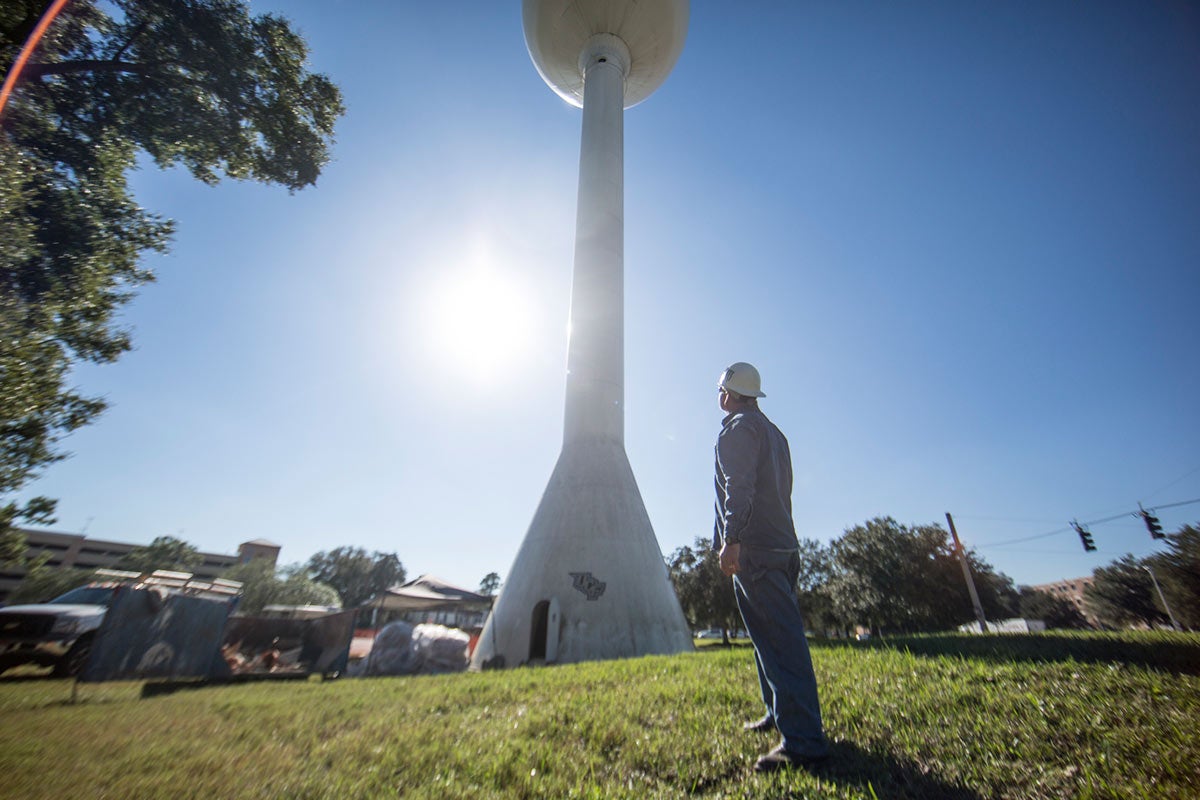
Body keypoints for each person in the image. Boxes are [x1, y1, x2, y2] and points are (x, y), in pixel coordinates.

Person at [712, 362, 828, 772]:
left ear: (729, 393)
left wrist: (732, 540)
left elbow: (738, 489)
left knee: (781, 642)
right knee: (767, 638)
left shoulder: (737, 429)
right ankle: (777, 713)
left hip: (755, 550)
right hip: (781, 546)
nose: (718, 395)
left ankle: (804, 742)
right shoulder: (774, 432)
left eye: (720, 389)